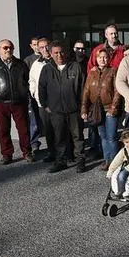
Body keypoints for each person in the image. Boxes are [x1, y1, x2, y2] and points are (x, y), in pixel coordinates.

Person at [0, 39, 34, 164]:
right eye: (5, 48)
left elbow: (27, 80)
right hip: (0, 103)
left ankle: (27, 152)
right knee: (3, 129)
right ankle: (7, 154)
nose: (8, 50)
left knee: (23, 129)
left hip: (19, 102)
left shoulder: (20, 64)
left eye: (10, 47)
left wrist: (23, 91)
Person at [38, 41, 86, 173]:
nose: (59, 55)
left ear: (66, 52)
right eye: (56, 53)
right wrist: (45, 105)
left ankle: (80, 161)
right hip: (56, 111)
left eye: (61, 52)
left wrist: (83, 106)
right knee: (59, 137)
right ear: (51, 54)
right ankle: (61, 161)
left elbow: (83, 88)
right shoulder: (47, 69)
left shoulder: (75, 67)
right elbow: (41, 88)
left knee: (78, 137)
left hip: (74, 110)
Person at [81, 48, 122, 171]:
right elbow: (86, 91)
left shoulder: (113, 71)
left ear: (108, 58)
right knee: (103, 136)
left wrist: (114, 108)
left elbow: (117, 91)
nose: (102, 59)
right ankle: (107, 160)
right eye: (100, 57)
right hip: (97, 109)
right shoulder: (92, 73)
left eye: (105, 57)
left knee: (112, 137)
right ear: (96, 59)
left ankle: (115, 164)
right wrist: (84, 109)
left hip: (110, 108)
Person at [29, 38, 56, 163]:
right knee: (49, 129)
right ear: (38, 49)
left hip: (59, 102)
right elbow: (32, 81)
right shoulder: (36, 64)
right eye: (41, 47)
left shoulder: (58, 60)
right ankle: (52, 152)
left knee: (61, 128)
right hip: (43, 103)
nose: (45, 49)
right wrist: (35, 94)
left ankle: (65, 152)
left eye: (47, 46)